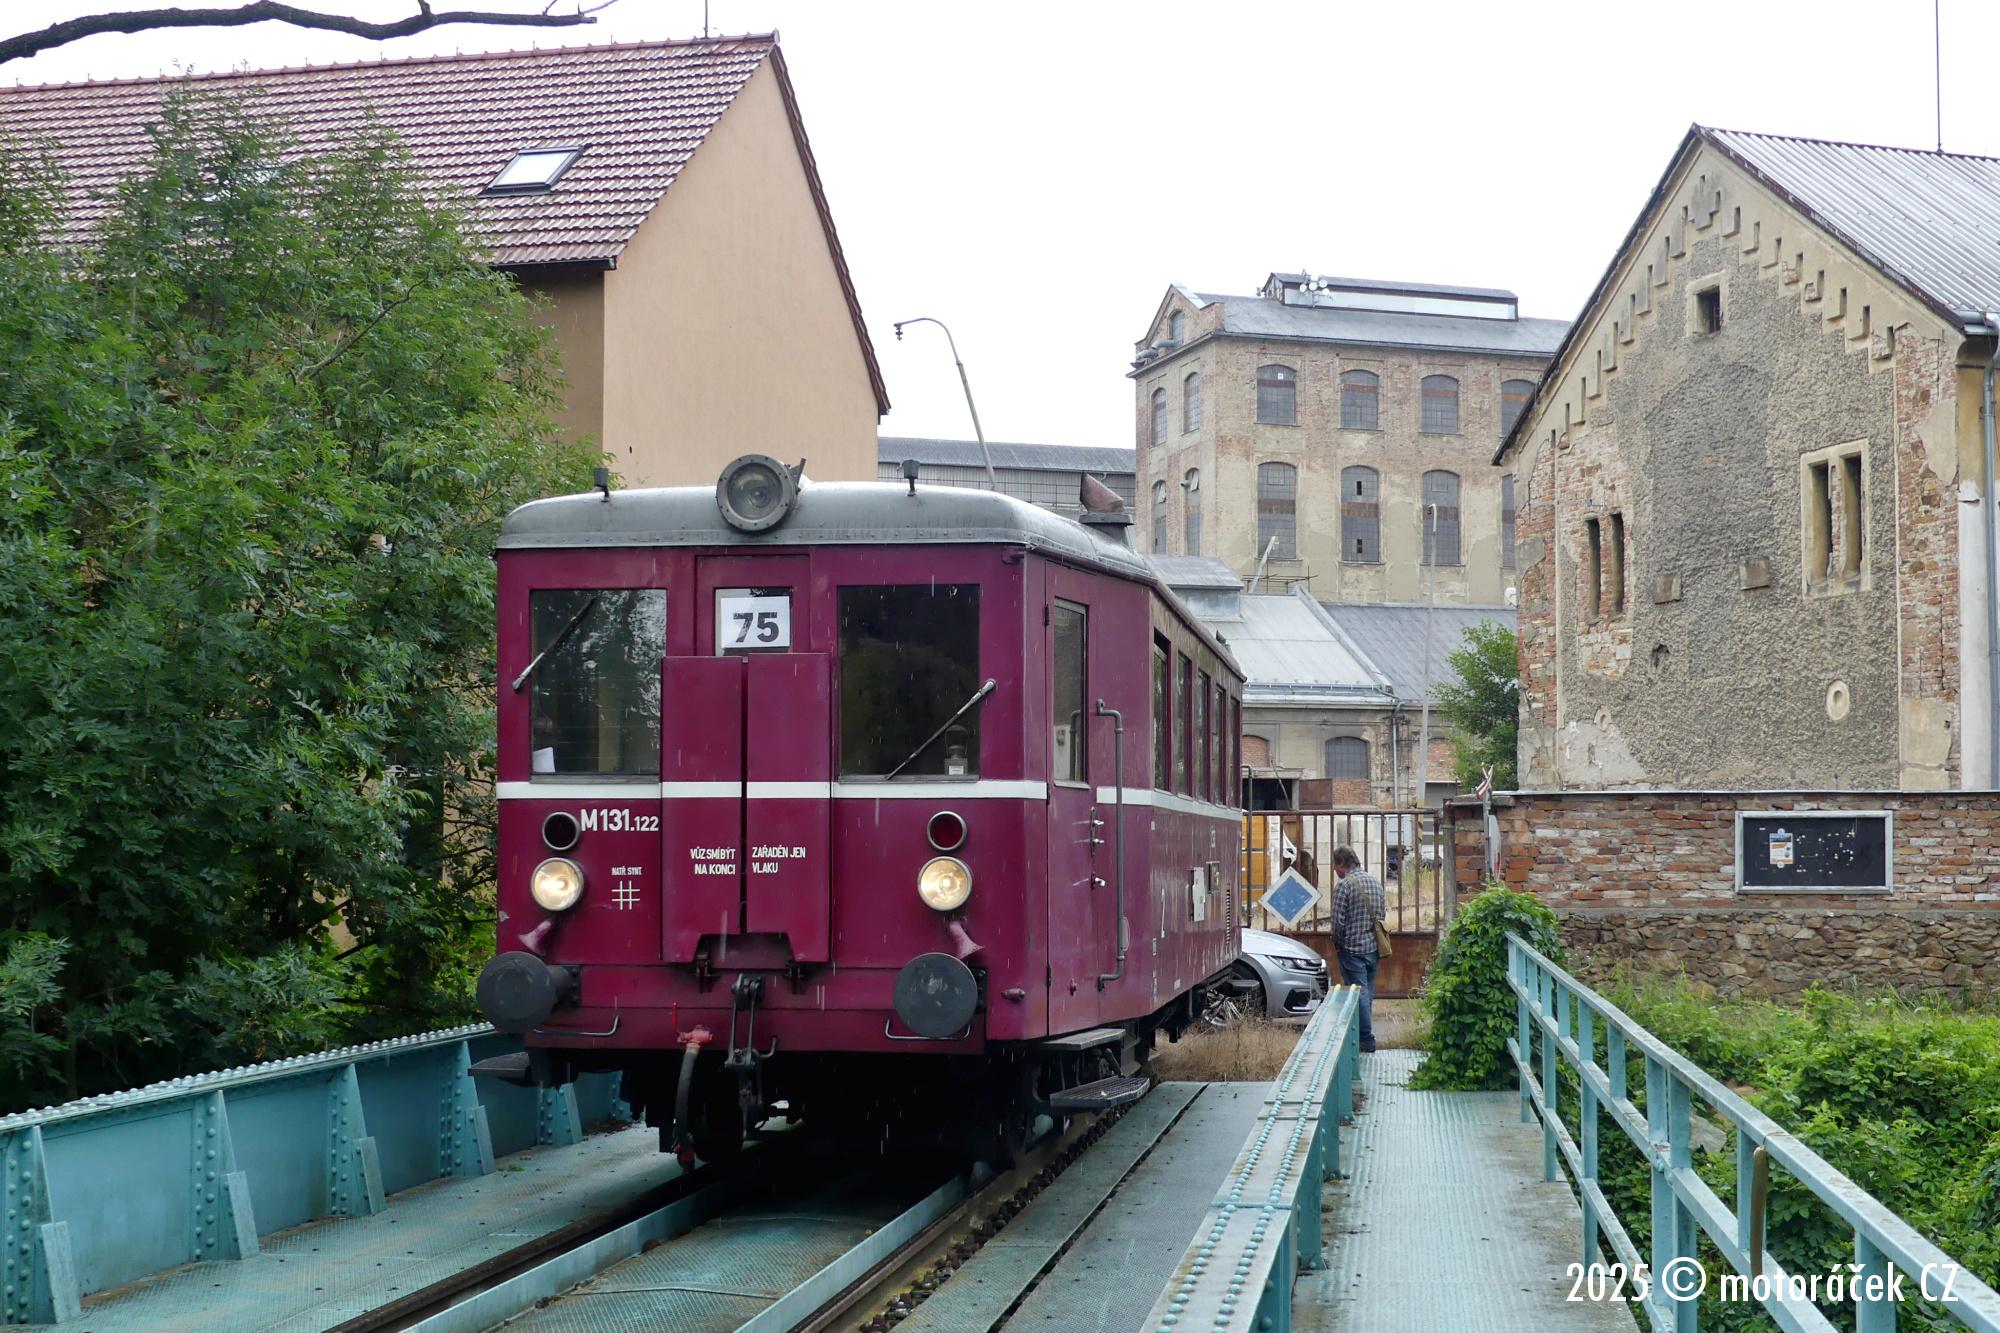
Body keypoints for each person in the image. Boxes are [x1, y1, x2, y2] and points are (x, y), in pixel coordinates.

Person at [1329, 845, 1384, 1053]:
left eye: (1335, 865)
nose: (1335, 870)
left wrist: (1338, 944)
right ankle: (1364, 1032)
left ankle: (1366, 1039)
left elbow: (1337, 922)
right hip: (1373, 948)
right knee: (1367, 993)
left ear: (1343, 863)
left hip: (1352, 950)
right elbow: (1382, 916)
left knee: (1358, 993)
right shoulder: (1375, 882)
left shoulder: (1344, 886)